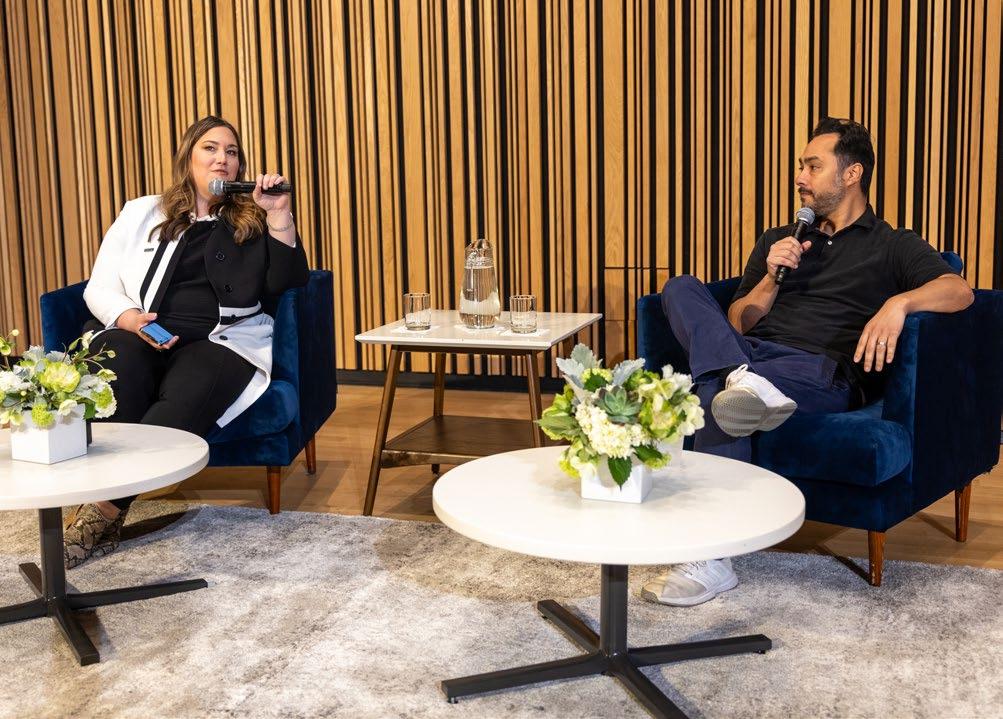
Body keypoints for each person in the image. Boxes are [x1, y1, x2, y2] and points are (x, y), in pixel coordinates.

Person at [643, 118, 974, 607]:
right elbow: (737, 322)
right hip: (752, 355)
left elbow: (960, 290)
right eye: (801, 166)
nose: (800, 177)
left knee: (711, 394)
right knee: (680, 287)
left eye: (813, 167)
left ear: (852, 173)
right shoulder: (780, 239)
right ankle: (742, 381)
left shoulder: (892, 244)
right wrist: (770, 278)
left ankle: (711, 556)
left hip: (819, 372)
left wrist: (899, 303)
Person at [63, 116, 309, 568]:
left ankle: (102, 512)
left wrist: (279, 215)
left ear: (239, 165)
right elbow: (99, 286)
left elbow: (286, 284)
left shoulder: (252, 219)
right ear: (188, 158)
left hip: (222, 340)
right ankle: (101, 496)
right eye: (210, 148)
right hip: (143, 329)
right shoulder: (141, 212)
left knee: (191, 388)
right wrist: (130, 319)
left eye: (231, 151)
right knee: (116, 364)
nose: (222, 158)